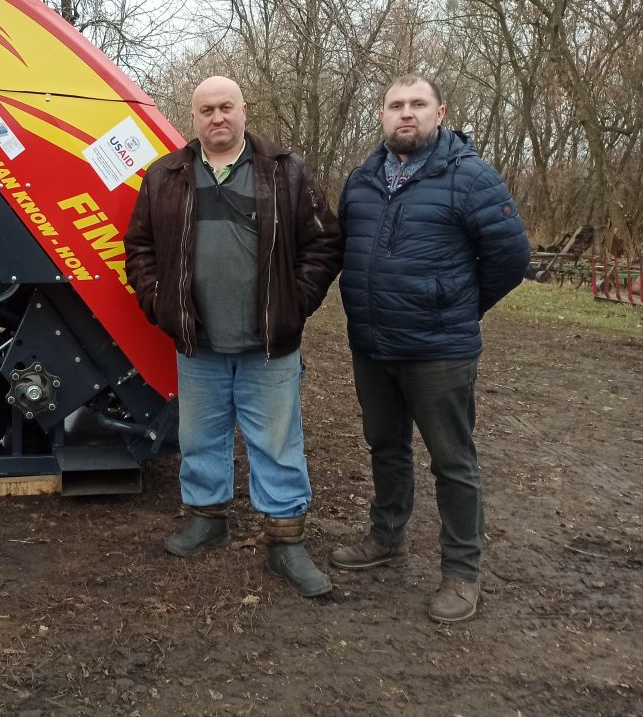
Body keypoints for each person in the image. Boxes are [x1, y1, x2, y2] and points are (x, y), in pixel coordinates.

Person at [124, 75, 343, 598]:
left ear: (244, 111)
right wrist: (161, 305)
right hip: (198, 343)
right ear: (192, 117)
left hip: (269, 344)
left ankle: (285, 541)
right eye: (206, 110)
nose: (217, 118)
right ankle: (207, 519)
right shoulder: (164, 177)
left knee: (277, 443)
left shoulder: (284, 174)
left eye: (226, 108)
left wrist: (295, 305)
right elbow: (139, 248)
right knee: (200, 438)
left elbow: (324, 244)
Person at [331, 75, 530, 624]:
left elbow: (512, 258)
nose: (406, 114)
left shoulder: (470, 178)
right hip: (373, 344)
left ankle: (461, 573)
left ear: (440, 113)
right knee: (385, 446)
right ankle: (388, 536)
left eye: (417, 104)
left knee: (453, 461)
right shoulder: (362, 180)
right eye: (395, 105)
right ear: (381, 116)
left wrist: (458, 305)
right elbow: (341, 247)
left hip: (439, 350)